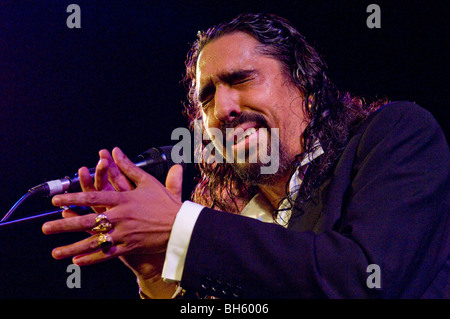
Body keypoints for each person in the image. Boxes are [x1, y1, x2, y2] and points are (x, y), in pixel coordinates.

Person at [42, 13, 449, 298]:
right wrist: (158, 279)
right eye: (207, 97)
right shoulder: (236, 221)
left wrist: (182, 227)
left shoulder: (395, 134)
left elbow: (364, 282)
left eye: (241, 80)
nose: (223, 109)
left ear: (305, 88)